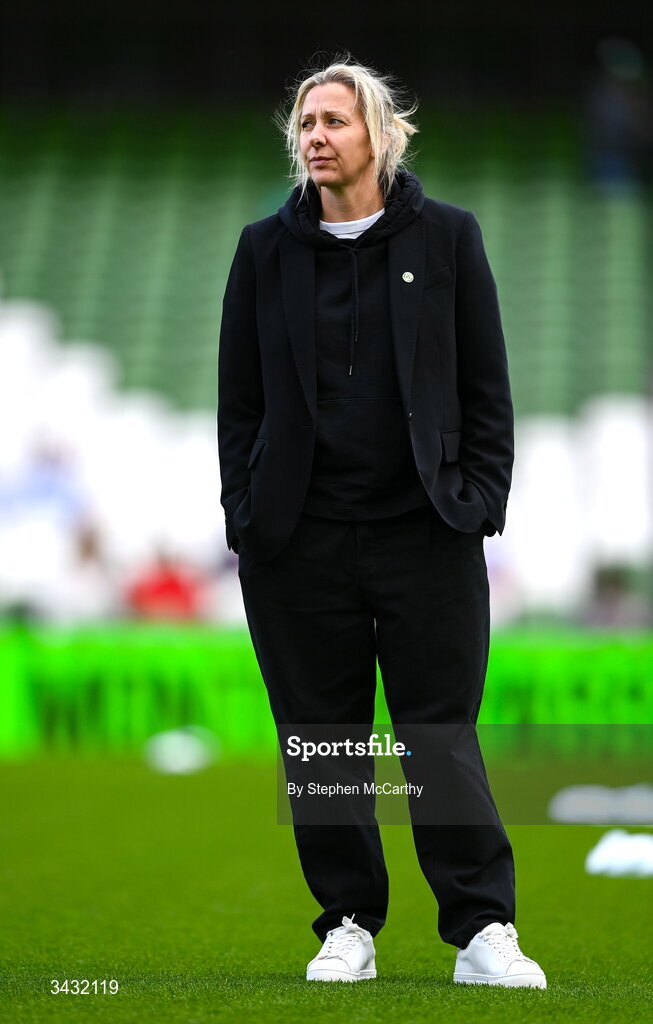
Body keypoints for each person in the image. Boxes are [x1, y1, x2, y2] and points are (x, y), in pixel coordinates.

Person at [217, 56, 546, 989]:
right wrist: (245, 514)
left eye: (334, 121)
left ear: (379, 134)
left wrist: (478, 500)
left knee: (436, 735)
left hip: (424, 532)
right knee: (321, 741)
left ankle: (482, 929)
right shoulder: (263, 249)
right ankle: (349, 921)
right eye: (305, 124)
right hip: (296, 542)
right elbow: (236, 402)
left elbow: (487, 385)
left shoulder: (446, 238)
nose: (315, 136)